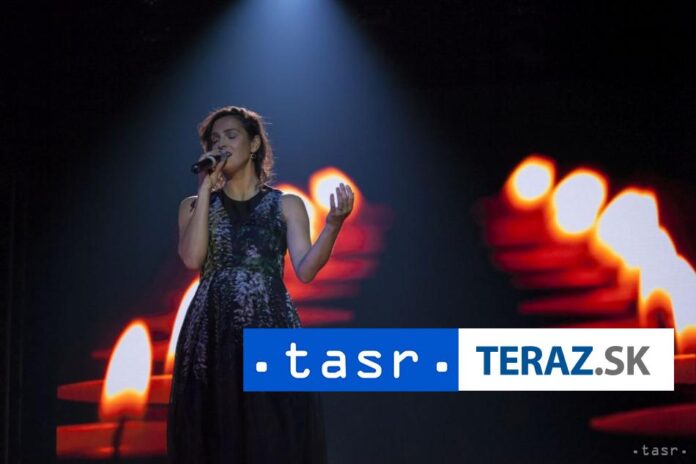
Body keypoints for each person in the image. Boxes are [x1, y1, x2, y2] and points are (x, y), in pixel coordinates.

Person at [167, 106, 353, 463]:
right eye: (214, 140)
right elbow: (192, 258)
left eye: (231, 136)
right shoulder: (192, 206)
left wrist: (333, 226)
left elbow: (306, 269)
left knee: (271, 432)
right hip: (213, 330)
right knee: (216, 432)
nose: (221, 145)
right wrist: (205, 190)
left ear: (254, 144)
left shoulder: (286, 204)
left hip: (269, 324)